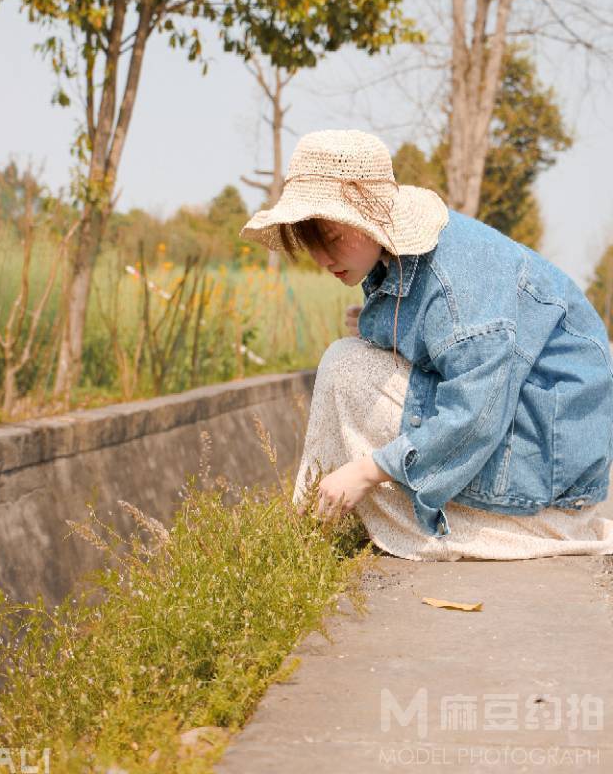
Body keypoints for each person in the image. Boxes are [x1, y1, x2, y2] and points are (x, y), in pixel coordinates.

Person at [239, 128, 613, 560]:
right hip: (535, 441)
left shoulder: (455, 281)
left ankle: (311, 528)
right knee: (351, 356)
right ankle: (315, 521)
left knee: (345, 366)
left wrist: (366, 471)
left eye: (334, 238)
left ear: (372, 216)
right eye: (311, 241)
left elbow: (476, 415)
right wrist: (373, 326)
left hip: (547, 476)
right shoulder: (399, 255)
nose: (322, 258)